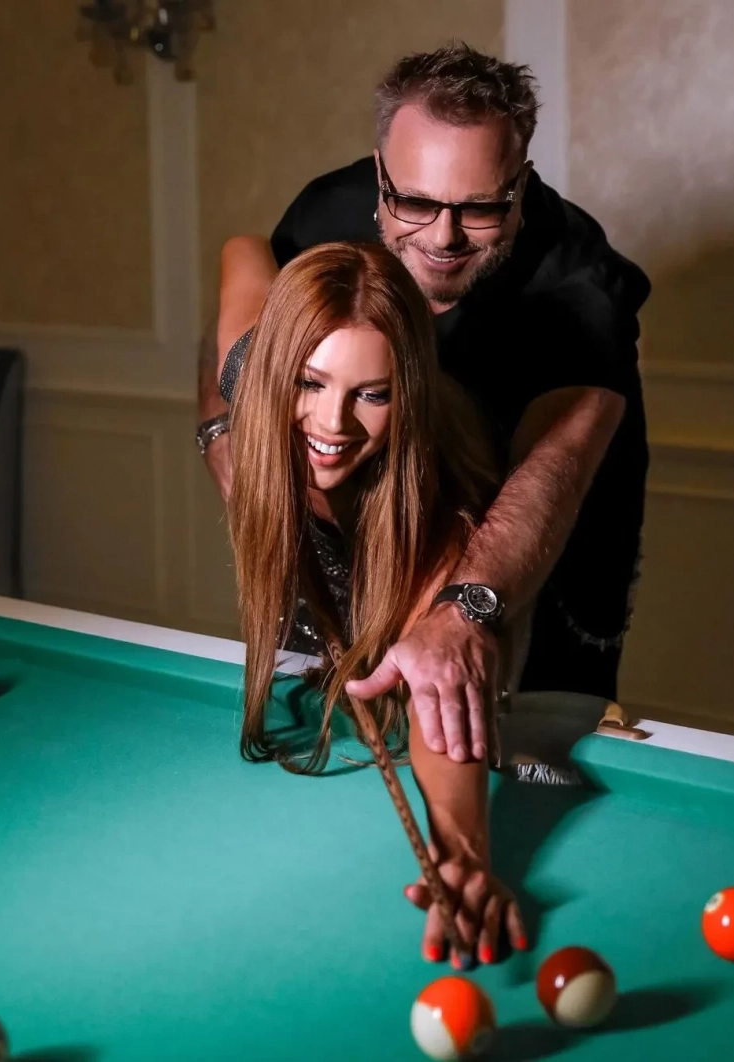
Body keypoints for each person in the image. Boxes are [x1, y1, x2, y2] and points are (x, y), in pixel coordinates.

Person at [196, 41, 651, 769]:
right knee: (345, 706)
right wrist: (222, 424)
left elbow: (554, 469)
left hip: (538, 539)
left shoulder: (578, 283)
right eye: (414, 202)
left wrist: (466, 607)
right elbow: (249, 325)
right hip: (383, 514)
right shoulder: (330, 210)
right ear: (380, 173)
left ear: (521, 182)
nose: (443, 237)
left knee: (524, 753)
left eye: (480, 208)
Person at [227, 238, 528, 967]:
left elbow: (436, 689)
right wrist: (217, 426)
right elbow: (241, 252)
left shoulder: (439, 509)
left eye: (373, 394)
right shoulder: (246, 367)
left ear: (407, 395)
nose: (332, 424)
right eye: (309, 382)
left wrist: (461, 852)